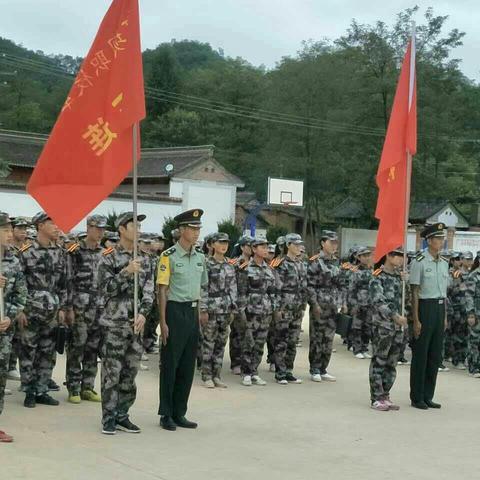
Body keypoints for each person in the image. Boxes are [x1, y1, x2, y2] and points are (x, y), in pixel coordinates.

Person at [97, 212, 154, 435]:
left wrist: (144, 313)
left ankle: (123, 414)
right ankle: (108, 417)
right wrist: (126, 272)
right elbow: (105, 289)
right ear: (121, 229)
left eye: (140, 225)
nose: (138, 228)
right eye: (134, 225)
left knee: (130, 373)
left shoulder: (145, 258)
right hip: (114, 322)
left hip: (135, 324)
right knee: (112, 372)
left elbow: (148, 290)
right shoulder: (108, 256)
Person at [157, 209, 208, 431]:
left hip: (192, 312)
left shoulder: (200, 257)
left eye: (198, 229)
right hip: (174, 312)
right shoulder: (168, 256)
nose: (196, 233)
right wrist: (163, 322)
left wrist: (198, 317)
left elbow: (200, 288)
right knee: (171, 365)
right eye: (193, 229)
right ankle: (166, 413)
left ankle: (180, 412)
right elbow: (162, 290)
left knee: (187, 366)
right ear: (182, 231)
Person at [18, 212, 68, 408]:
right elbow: (18, 283)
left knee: (48, 351)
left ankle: (42, 389)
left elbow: (64, 283)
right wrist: (20, 310)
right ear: (40, 226)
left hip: (52, 310)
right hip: (31, 309)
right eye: (52, 223)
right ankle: (29, 390)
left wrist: (62, 307)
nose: (57, 227)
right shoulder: (27, 252)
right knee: (28, 351)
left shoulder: (60, 252)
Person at [65, 214, 107, 404]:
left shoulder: (105, 252)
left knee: (93, 348)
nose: (100, 233)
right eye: (97, 228)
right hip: (80, 305)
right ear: (88, 228)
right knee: (77, 347)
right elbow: (68, 280)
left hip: (98, 306)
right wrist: (69, 307)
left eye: (102, 229)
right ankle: (73, 387)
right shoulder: (75, 251)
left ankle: (87, 387)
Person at [409, 223, 449, 410]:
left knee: (434, 355)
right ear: (429, 240)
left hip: (439, 309)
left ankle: (428, 395)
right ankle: (417, 397)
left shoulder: (444, 262)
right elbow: (415, 291)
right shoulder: (419, 260)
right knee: (421, 354)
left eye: (442, 239)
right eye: (438, 238)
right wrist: (416, 320)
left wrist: (445, 316)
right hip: (424, 308)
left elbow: (444, 293)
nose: (441, 242)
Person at [368, 248, 408, 411]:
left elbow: (406, 300)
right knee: (379, 360)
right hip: (383, 326)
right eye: (398, 256)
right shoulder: (378, 276)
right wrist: (394, 316)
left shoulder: (400, 277)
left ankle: (385, 394)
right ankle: (376, 397)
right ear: (389, 256)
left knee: (392, 362)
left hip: (398, 327)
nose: (401, 259)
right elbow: (378, 301)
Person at [0, 212, 28, 442]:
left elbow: (21, 293)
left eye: (10, 230)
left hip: (4, 330)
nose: (10, 235)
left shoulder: (14, 260)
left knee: (0, 377)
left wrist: (10, 316)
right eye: (6, 230)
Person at [237, 238, 279, 387]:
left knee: (260, 344)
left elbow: (272, 291)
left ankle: (254, 372)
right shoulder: (245, 268)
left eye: (267, 246)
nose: (266, 249)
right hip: (250, 311)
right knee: (248, 342)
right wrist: (241, 311)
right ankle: (246, 372)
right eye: (262, 247)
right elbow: (241, 292)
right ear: (254, 249)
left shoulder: (269, 269)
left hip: (265, 312)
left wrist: (274, 308)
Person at [199, 232, 237, 388]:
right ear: (212, 244)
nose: (224, 245)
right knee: (208, 343)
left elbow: (233, 287)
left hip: (226, 309)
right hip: (211, 308)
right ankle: (206, 375)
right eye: (220, 242)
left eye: (226, 243)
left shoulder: (230, 264)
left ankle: (217, 375)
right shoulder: (206, 263)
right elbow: (202, 287)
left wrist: (234, 307)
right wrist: (203, 309)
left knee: (221, 343)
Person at [272, 233, 307, 385]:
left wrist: (303, 305)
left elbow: (304, 287)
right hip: (285, 306)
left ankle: (288, 371)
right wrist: (277, 309)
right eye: (296, 244)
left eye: (300, 244)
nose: (299, 247)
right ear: (288, 246)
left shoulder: (300, 264)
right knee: (282, 340)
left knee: (293, 340)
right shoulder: (281, 264)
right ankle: (280, 372)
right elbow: (276, 289)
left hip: (297, 308)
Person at [307, 231, 341, 382]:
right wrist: (314, 304)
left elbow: (341, 284)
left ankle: (323, 368)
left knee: (329, 338)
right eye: (331, 242)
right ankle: (314, 368)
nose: (334, 245)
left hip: (332, 305)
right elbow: (310, 286)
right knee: (317, 338)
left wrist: (342, 302)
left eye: (335, 243)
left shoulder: (336, 262)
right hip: (319, 304)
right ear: (322, 243)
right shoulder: (315, 261)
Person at [7, 216, 30, 382]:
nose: (23, 232)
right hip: (7, 298)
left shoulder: (25, 250)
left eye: (25, 229)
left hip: (20, 298)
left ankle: (11, 366)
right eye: (19, 228)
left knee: (16, 337)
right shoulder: (7, 250)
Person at [228, 235, 253, 375]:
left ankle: (247, 362)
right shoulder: (235, 263)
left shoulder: (257, 263)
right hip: (239, 302)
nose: (251, 248)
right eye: (249, 246)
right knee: (237, 333)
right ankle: (235, 362)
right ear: (242, 247)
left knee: (250, 333)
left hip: (254, 303)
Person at [348, 247, 373, 359]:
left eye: (368, 255)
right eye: (364, 256)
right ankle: (357, 349)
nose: (367, 258)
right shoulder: (355, 271)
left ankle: (364, 348)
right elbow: (351, 289)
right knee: (357, 327)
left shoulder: (372, 271)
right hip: (359, 303)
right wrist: (353, 305)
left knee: (367, 327)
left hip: (370, 304)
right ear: (359, 257)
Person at [446, 251, 468, 370]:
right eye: (456, 259)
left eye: (460, 259)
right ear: (452, 261)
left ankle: (461, 357)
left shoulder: (464, 274)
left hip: (464, 308)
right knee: (455, 334)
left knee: (463, 334)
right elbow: (450, 292)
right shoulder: (452, 274)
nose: (459, 261)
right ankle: (456, 358)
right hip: (455, 308)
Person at [465, 256, 480, 378]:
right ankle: (474, 367)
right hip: (476, 313)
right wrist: (470, 314)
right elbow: (469, 295)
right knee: (474, 341)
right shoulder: (474, 276)